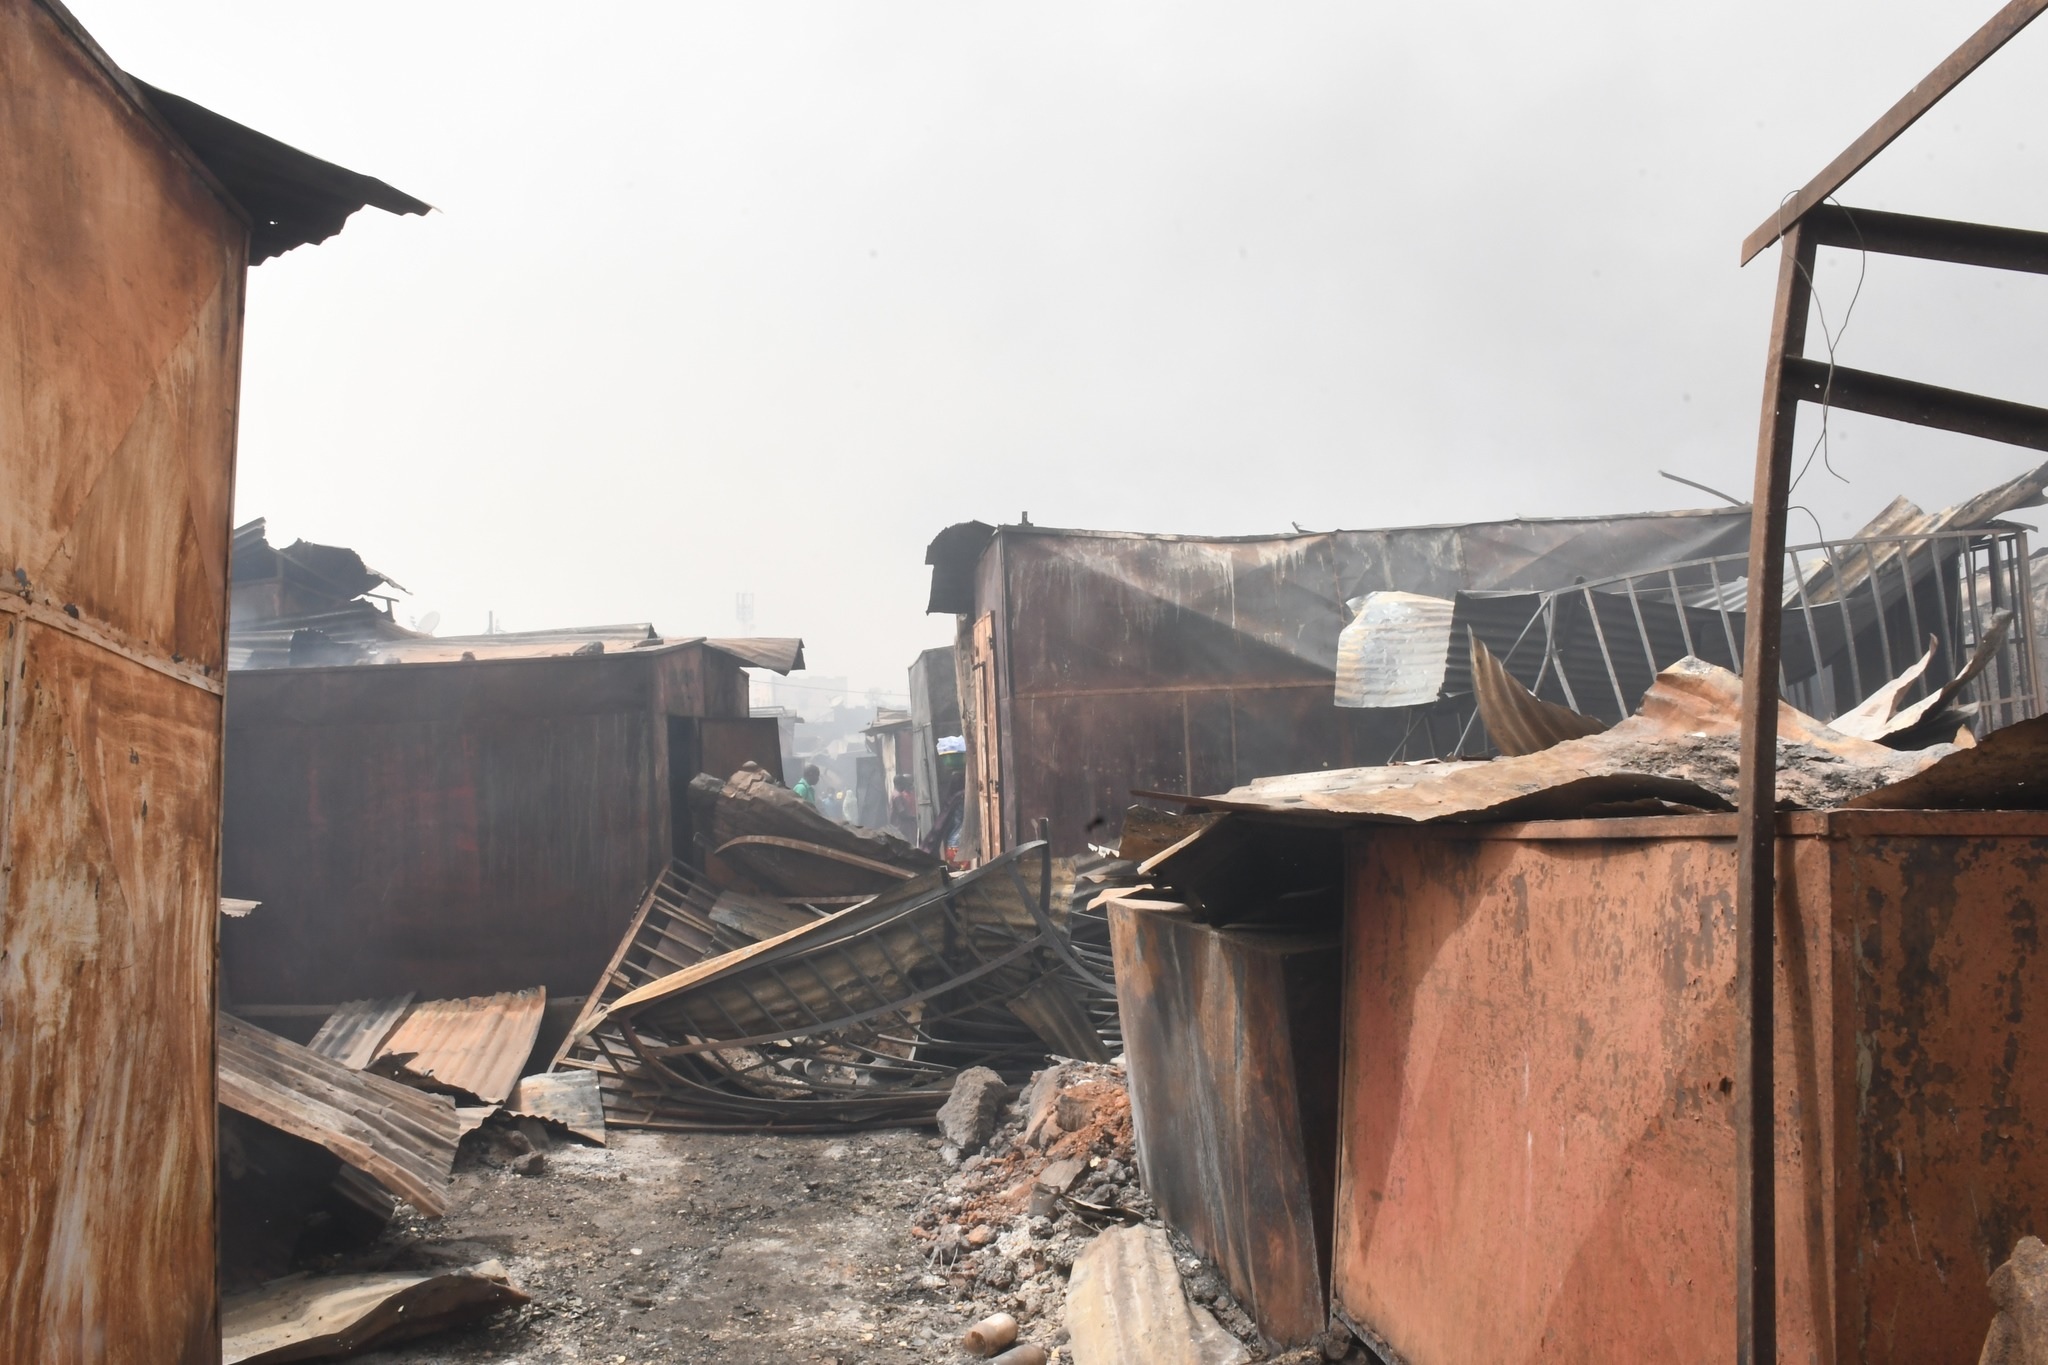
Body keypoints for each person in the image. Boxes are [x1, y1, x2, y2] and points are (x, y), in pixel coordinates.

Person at [890, 773, 917, 841]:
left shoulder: (895, 794)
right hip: (900, 827)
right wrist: (914, 817)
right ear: (900, 783)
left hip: (899, 826)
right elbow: (902, 813)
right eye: (904, 783)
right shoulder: (898, 796)